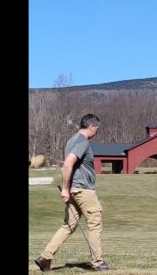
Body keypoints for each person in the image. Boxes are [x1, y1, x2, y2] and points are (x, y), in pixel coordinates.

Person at [35, 114, 109, 272]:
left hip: (75, 190)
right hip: (83, 189)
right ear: (92, 127)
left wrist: (68, 189)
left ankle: (45, 258)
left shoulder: (71, 140)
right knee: (95, 222)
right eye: (96, 129)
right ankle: (98, 262)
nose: (96, 132)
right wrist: (65, 188)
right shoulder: (82, 142)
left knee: (68, 225)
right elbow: (68, 163)